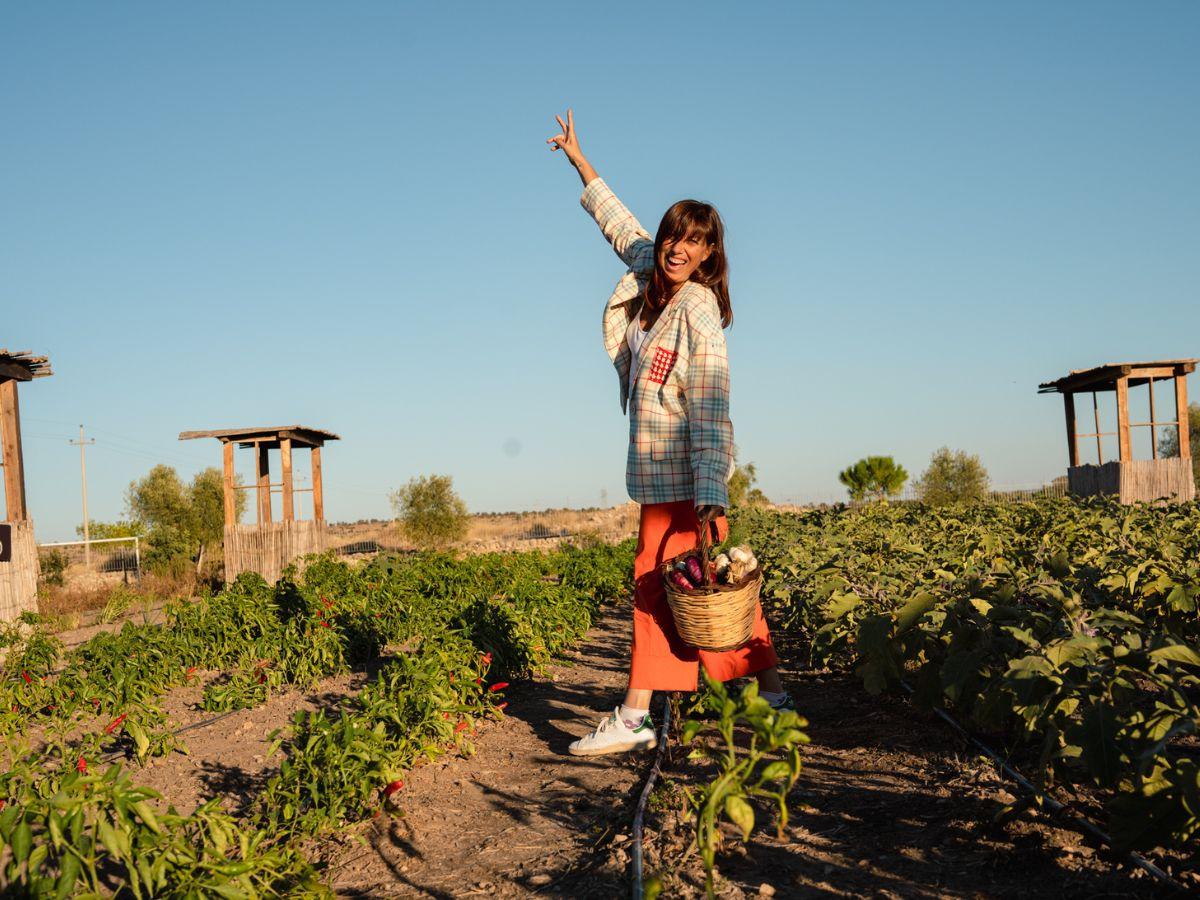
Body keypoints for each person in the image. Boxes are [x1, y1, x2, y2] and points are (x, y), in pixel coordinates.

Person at [546, 109, 792, 757]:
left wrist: (712, 482)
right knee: (708, 579)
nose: (680, 248)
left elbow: (712, 399)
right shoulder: (651, 275)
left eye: (695, 241)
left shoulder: (698, 308)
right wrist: (580, 158)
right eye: (674, 237)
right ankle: (769, 690)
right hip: (660, 474)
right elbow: (619, 225)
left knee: (660, 581)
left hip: (686, 471)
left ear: (711, 253)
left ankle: (635, 714)